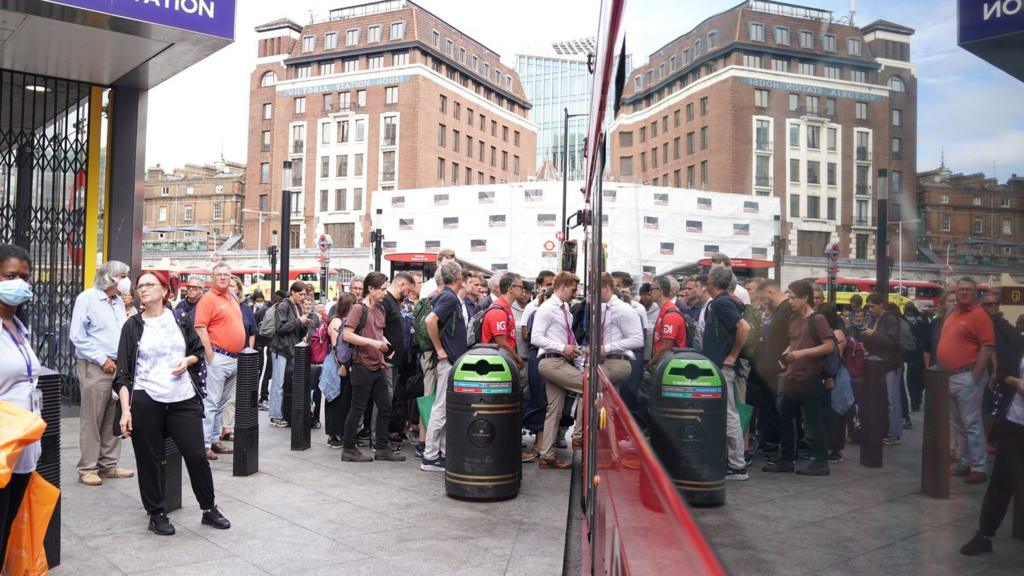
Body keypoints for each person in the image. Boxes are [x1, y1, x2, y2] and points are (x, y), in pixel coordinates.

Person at [113, 270, 230, 535]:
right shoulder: (132, 327)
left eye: (149, 285)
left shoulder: (181, 318)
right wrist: (125, 411)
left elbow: (197, 352)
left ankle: (208, 508)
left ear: (165, 291)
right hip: (145, 398)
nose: (142, 289)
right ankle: (156, 513)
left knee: (197, 455)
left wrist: (186, 362)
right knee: (150, 459)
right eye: (139, 285)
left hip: (182, 398)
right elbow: (123, 373)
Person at [960, 298, 1024, 556]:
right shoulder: (1020, 341)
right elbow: (1003, 373)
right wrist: (1016, 382)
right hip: (1016, 422)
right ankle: (984, 535)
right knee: (1001, 481)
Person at [69, 259, 134, 486]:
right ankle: (87, 467)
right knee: (92, 418)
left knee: (111, 417)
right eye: (123, 275)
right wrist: (101, 358)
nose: (127, 279)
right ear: (110, 277)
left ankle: (108, 464)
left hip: (117, 366)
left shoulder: (117, 301)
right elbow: (77, 335)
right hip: (96, 366)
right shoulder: (87, 298)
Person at [763, 280, 835, 476]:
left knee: (813, 420)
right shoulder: (794, 318)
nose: (790, 301)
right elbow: (794, 343)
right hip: (792, 376)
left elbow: (829, 345)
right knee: (786, 417)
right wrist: (786, 357)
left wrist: (800, 354)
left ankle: (821, 463)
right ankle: (787, 459)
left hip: (810, 377)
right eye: (789, 296)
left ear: (805, 298)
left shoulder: (817, 319)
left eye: (794, 297)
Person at [0, 245, 42, 557]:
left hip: (23, 448)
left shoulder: (19, 327)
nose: (19, 283)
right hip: (1, 449)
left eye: (24, 277)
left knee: (6, 532)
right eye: (10, 276)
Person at [340, 272, 403, 463]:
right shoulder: (358, 309)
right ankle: (349, 449)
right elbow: (347, 335)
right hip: (361, 365)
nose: (385, 292)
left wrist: (386, 348)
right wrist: (374, 344)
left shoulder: (380, 310)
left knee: (385, 406)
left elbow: (378, 333)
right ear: (371, 289)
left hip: (377, 365)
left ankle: (381, 448)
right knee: (357, 408)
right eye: (382, 289)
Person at [938, 277, 995, 484]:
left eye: (968, 290)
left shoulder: (979, 315)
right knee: (958, 423)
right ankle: (965, 462)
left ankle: (978, 467)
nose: (963, 293)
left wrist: (975, 376)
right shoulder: (953, 313)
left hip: (967, 376)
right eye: (960, 289)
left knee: (971, 423)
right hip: (951, 376)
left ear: (975, 292)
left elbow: (987, 347)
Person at [700, 268, 749, 480]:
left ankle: (738, 466)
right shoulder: (723, 302)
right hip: (720, 365)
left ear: (712, 281)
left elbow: (744, 327)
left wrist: (732, 355)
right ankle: (733, 462)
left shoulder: (721, 303)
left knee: (729, 414)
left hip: (722, 366)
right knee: (727, 413)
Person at [530, 271, 583, 470]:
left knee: (555, 410)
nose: (574, 293)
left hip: (557, 361)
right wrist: (563, 348)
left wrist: (575, 352)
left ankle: (547, 455)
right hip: (552, 362)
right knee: (589, 387)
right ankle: (579, 437)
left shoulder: (565, 310)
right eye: (573, 289)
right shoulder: (547, 309)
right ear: (562, 286)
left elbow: (567, 338)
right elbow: (535, 337)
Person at [193, 263, 245, 460]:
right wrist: (209, 355)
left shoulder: (231, 297)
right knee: (211, 402)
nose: (223, 278)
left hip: (232, 358)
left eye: (227, 275)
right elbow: (200, 327)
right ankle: (205, 444)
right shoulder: (208, 299)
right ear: (213, 277)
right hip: (218, 356)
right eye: (219, 274)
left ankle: (214, 440)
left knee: (221, 403)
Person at [421, 261, 467, 472]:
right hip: (447, 361)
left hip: (449, 360)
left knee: (444, 408)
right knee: (440, 408)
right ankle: (430, 457)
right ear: (458, 277)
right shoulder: (449, 297)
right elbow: (431, 320)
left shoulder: (446, 296)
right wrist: (440, 350)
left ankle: (439, 454)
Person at [753, 280, 791, 458]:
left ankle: (784, 450)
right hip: (771, 369)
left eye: (763, 298)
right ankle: (774, 443)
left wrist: (784, 361)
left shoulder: (786, 310)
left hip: (780, 369)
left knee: (782, 409)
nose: (763, 302)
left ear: (770, 292)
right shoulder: (778, 311)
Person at [861, 293, 904, 446]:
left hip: (890, 364)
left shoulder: (891, 319)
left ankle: (894, 433)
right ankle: (884, 430)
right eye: (869, 306)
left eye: (873, 306)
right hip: (876, 362)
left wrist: (874, 334)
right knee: (881, 400)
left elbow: (893, 343)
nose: (870, 309)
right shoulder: (873, 319)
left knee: (892, 400)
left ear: (881, 305)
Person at [269, 282, 311, 427]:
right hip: (281, 348)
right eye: (301, 294)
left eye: (304, 294)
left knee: (286, 383)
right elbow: (280, 328)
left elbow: (297, 330)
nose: (302, 297)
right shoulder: (283, 306)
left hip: (291, 348)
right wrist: (298, 320)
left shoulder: (297, 307)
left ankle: (282, 413)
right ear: (292, 292)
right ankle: (275, 415)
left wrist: (304, 326)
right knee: (278, 383)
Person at [220, 276, 256, 444]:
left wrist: (248, 353)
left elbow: (252, 332)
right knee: (217, 396)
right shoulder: (220, 305)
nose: (230, 289)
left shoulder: (245, 308)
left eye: (233, 286)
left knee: (233, 395)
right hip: (221, 356)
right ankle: (215, 431)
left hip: (241, 356)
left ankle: (226, 427)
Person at [321, 293, 355, 448]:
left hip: (345, 364)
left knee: (344, 399)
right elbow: (336, 347)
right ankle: (333, 434)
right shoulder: (336, 321)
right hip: (338, 365)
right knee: (335, 398)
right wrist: (342, 365)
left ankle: (339, 432)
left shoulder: (345, 321)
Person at [598, 272, 643, 388]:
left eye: (595, 290)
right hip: (609, 361)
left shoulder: (623, 309)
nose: (592, 294)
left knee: (589, 385)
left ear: (606, 288)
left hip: (616, 362)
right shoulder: (606, 308)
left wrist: (606, 348)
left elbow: (637, 339)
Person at [480, 272, 525, 370]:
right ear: (511, 289)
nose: (523, 290)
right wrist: (517, 359)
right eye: (521, 287)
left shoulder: (505, 307)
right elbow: (501, 343)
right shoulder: (498, 311)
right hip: (496, 363)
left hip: (503, 360)